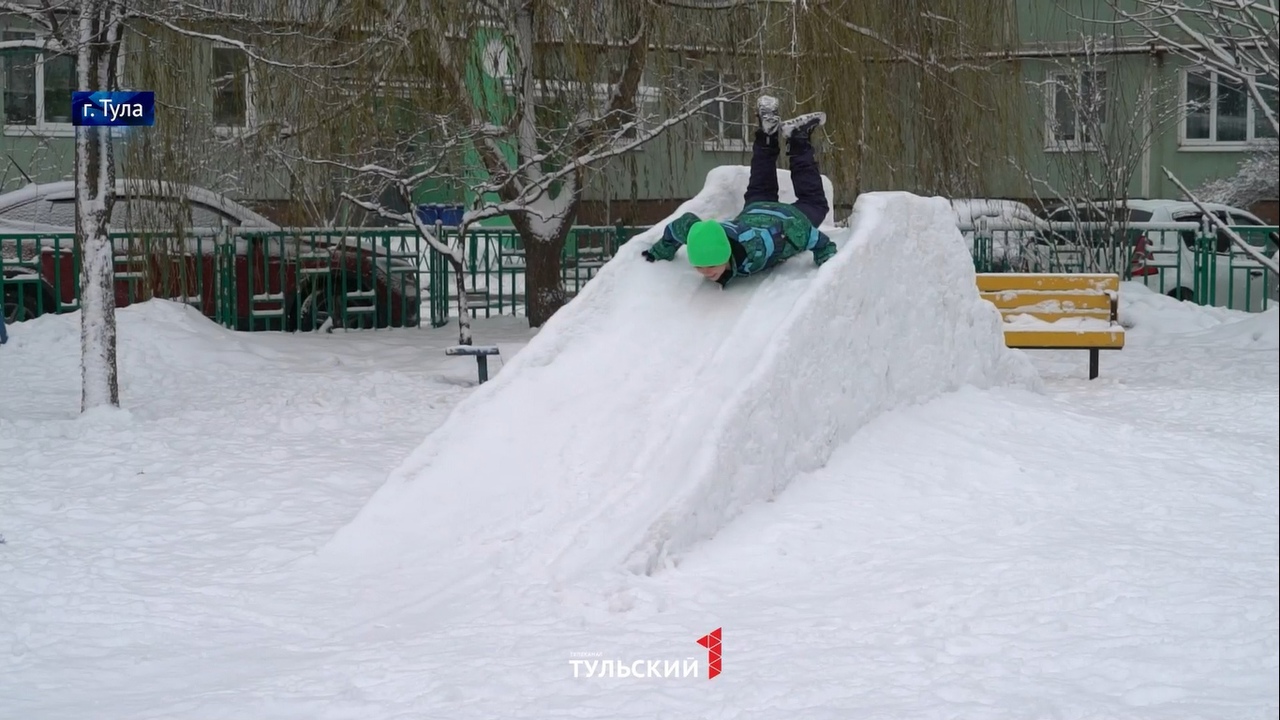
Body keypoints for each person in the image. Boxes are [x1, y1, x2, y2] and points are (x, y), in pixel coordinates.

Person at [641, 95, 837, 286]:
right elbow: (682, 226)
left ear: (725, 252)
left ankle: (798, 137)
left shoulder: (757, 248)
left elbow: (802, 232)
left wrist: (825, 251)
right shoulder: (706, 236)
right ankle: (768, 134)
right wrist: (662, 250)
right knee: (761, 185)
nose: (706, 271)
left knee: (815, 204)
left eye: (711, 264)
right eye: (699, 265)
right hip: (754, 210)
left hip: (785, 218)